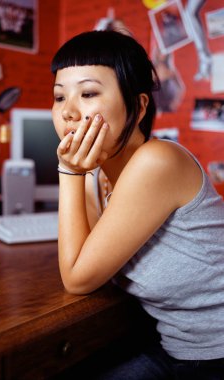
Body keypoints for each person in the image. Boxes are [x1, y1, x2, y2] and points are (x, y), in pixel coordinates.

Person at [50, 30, 224, 379]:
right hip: (177, 348)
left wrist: (68, 171)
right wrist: (82, 173)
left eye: (87, 93)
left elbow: (78, 278)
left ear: (139, 105)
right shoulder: (99, 175)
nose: (68, 111)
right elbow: (90, 262)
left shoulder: (157, 161)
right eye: (58, 96)